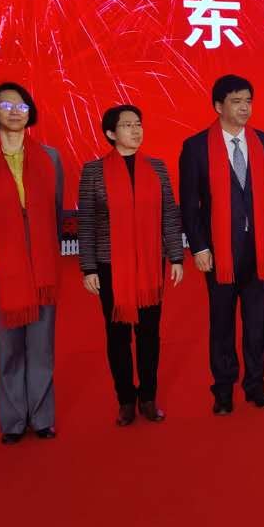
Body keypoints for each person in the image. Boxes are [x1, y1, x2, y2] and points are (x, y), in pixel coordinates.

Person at [179, 75, 264, 413]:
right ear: (218, 106)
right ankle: (223, 390)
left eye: (248, 101)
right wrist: (199, 247)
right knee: (222, 324)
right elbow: (190, 204)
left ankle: (256, 385)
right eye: (237, 101)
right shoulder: (196, 147)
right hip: (219, 251)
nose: (244, 108)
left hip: (260, 247)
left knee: (257, 324)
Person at [0, 82, 65, 443]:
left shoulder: (50, 157)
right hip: (0, 265)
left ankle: (42, 416)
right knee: (9, 346)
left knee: (41, 345)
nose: (14, 112)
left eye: (22, 107)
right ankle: (12, 420)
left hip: (42, 266)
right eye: (6, 106)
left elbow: (55, 213)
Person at [77, 105, 185, 426]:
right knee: (118, 334)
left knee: (149, 332)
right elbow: (87, 222)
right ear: (111, 133)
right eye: (127, 125)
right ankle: (125, 399)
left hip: (151, 263)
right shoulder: (93, 171)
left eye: (138, 124)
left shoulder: (157, 168)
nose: (136, 130)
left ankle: (148, 397)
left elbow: (169, 215)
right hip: (110, 265)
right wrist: (88, 267)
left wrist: (176, 257)